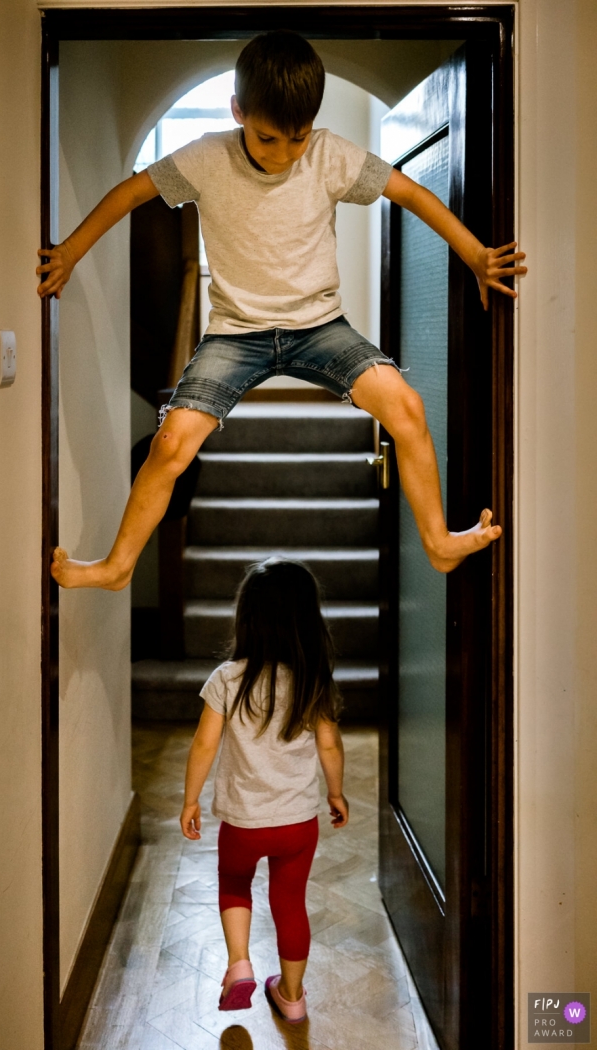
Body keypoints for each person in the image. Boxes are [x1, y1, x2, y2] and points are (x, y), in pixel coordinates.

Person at [37, 31, 527, 589]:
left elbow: (410, 193)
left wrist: (476, 255)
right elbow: (129, 193)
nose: (283, 154)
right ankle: (118, 566)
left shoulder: (329, 155)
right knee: (170, 443)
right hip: (234, 334)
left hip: (320, 327)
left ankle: (438, 544)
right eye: (268, 139)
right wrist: (70, 253)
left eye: (297, 139)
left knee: (407, 408)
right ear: (238, 111)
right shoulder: (206, 156)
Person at [179, 558, 347, 1023]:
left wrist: (191, 799)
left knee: (235, 883)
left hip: (242, 821)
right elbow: (330, 745)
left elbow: (204, 744)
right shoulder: (315, 680)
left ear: (246, 618)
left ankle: (240, 965)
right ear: (309, 619)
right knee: (290, 901)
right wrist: (335, 793)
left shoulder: (227, 680)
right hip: (297, 822)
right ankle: (292, 998)